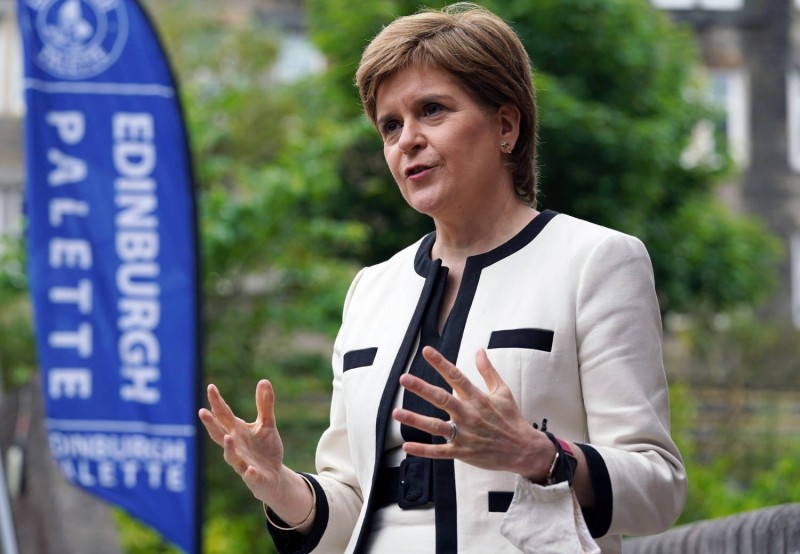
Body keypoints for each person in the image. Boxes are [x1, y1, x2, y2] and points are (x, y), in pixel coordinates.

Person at [198, 3, 687, 553]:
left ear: (506, 125)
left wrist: (539, 454)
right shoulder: (371, 290)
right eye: (390, 125)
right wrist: (281, 486)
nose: (407, 139)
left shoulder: (596, 262)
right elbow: (352, 510)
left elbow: (660, 487)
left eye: (432, 110)